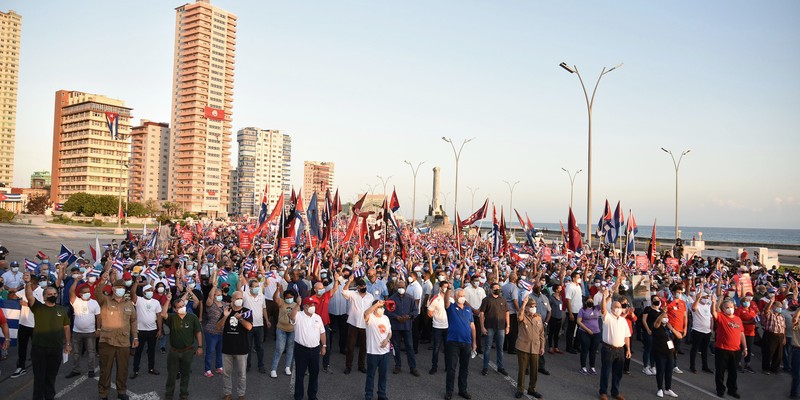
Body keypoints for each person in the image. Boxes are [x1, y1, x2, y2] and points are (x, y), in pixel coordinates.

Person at [23, 271, 71, 400]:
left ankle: (49, 397)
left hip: (55, 349)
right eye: (49, 294)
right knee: (39, 378)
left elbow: (66, 327)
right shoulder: (38, 307)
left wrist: (67, 344)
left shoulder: (62, 310)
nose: (52, 295)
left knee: (51, 377)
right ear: (44, 297)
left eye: (54, 294)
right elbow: (29, 296)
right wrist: (28, 283)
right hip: (39, 349)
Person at [95, 275, 137, 400]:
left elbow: (133, 321)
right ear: (113, 289)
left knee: (123, 369)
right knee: (105, 370)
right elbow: (97, 292)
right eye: (118, 287)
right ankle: (103, 393)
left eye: (123, 288)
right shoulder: (105, 300)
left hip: (123, 342)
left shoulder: (129, 304)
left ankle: (121, 391)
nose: (121, 290)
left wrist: (135, 337)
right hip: (107, 341)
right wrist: (103, 280)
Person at [161, 293, 204, 400]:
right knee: (171, 374)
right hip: (174, 351)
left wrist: (200, 346)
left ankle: (184, 394)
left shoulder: (192, 317)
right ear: (175, 309)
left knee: (186, 374)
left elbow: (198, 332)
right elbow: (163, 314)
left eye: (183, 305)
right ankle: (169, 394)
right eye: (179, 307)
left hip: (188, 351)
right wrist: (168, 300)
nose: (182, 308)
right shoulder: (172, 317)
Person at [218, 291, 253, 400]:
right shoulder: (226, 311)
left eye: (241, 298)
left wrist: (240, 319)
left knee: (242, 374)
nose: (239, 300)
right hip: (227, 348)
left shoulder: (247, 312)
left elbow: (249, 327)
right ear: (232, 300)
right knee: (226, 373)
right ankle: (227, 393)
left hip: (241, 348)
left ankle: (241, 394)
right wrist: (225, 317)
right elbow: (218, 327)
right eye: (237, 298)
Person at [598, 288, 631, 400]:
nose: (618, 309)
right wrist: (604, 297)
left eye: (619, 307)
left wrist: (628, 349)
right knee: (606, 371)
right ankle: (603, 392)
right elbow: (603, 309)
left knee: (618, 373)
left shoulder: (623, 320)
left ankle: (615, 392)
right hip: (608, 349)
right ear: (611, 309)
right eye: (616, 307)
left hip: (620, 350)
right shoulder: (607, 318)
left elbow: (627, 335)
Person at [443, 288, 477, 400]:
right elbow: (446, 301)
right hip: (453, 342)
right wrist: (448, 289)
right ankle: (449, 392)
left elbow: (472, 326)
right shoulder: (451, 308)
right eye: (460, 295)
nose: (462, 297)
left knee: (464, 368)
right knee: (451, 368)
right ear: (456, 296)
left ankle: (463, 390)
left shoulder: (468, 309)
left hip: (466, 343)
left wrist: (474, 342)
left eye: (463, 295)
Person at [291, 296, 326, 400]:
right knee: (300, 375)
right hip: (301, 350)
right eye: (311, 305)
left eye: (314, 304)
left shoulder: (317, 317)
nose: (313, 306)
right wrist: (297, 304)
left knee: (314, 374)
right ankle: (298, 396)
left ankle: (312, 395)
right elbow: (291, 317)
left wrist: (323, 346)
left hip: (315, 350)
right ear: (305, 307)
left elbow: (322, 333)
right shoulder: (299, 316)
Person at [712, 297, 747, 398]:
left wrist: (745, 348)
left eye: (731, 307)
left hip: (735, 350)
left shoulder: (738, 319)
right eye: (727, 307)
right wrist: (714, 303)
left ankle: (732, 390)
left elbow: (742, 334)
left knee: (733, 372)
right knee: (720, 371)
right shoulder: (721, 316)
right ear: (723, 309)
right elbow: (713, 312)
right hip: (722, 349)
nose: (730, 309)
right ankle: (720, 389)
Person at [65, 279, 100, 379]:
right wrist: (75, 281)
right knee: (76, 353)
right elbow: (70, 292)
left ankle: (91, 370)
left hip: (90, 332)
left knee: (91, 352)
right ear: (80, 294)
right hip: (77, 332)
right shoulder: (76, 301)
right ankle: (76, 370)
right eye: (84, 292)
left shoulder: (94, 303)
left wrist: (99, 329)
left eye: (88, 292)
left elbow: (99, 317)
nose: (87, 294)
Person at [386, 279, 419, 375]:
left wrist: (408, 316)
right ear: (396, 288)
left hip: (407, 327)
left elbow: (415, 311)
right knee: (396, 347)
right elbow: (388, 312)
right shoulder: (391, 299)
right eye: (399, 287)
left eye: (403, 287)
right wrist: (397, 317)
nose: (401, 289)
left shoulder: (410, 298)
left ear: (406, 287)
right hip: (396, 327)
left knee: (410, 347)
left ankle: (413, 367)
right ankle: (398, 366)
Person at [342, 275, 375, 374]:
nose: (364, 288)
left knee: (364, 347)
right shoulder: (353, 294)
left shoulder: (370, 296)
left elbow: (372, 310)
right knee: (350, 347)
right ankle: (348, 366)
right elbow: (344, 291)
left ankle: (361, 365)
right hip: (353, 324)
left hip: (365, 325)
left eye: (364, 286)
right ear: (358, 288)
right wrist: (349, 281)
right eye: (361, 287)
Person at [514, 296, 545, 399]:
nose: (533, 308)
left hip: (535, 347)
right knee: (522, 370)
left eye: (535, 306)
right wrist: (523, 304)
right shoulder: (522, 315)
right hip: (523, 347)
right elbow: (519, 317)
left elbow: (541, 334)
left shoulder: (538, 317)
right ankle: (520, 389)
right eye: (531, 306)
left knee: (534, 370)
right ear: (527, 307)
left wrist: (542, 347)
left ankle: (532, 389)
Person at [130, 282, 162, 379]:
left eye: (151, 290)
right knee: (138, 351)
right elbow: (132, 293)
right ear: (143, 292)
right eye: (148, 291)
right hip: (140, 330)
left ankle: (151, 368)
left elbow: (159, 316)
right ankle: (135, 370)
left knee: (151, 351)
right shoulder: (139, 300)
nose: (150, 292)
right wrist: (136, 283)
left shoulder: (156, 302)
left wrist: (159, 329)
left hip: (152, 330)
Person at [479, 281, 509, 376]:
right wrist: (482, 327)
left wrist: (508, 325)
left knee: (500, 348)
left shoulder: (503, 299)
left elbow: (507, 312)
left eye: (498, 288)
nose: (497, 290)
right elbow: (482, 313)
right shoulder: (486, 300)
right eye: (495, 288)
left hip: (501, 327)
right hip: (489, 326)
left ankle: (501, 367)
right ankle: (485, 367)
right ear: (491, 289)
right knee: (487, 347)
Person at [364, 299, 392, 400]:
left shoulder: (386, 318)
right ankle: (368, 395)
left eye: (382, 307)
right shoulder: (370, 318)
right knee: (370, 375)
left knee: (383, 375)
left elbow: (389, 332)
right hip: (373, 352)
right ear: (375, 308)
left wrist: (387, 340)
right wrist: (376, 304)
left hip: (385, 353)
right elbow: (366, 313)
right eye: (379, 308)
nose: (381, 309)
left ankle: (382, 394)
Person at [651, 306, 682, 397]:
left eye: (666, 317)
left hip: (670, 353)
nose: (666, 318)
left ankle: (668, 389)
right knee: (660, 371)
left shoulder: (669, 328)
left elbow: (679, 336)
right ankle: (660, 388)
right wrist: (662, 313)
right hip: (660, 353)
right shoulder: (657, 327)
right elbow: (657, 322)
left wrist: (672, 329)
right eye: (664, 317)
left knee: (669, 371)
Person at [243, 279, 269, 374]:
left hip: (260, 325)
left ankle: (261, 365)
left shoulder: (261, 296)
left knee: (260, 347)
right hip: (249, 325)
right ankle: (247, 366)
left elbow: (264, 308)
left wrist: (266, 320)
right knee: (248, 347)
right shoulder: (245, 295)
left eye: (258, 286)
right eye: (255, 286)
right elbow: (238, 289)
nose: (257, 288)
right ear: (250, 288)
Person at [271, 284, 297, 378]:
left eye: (291, 297)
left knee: (290, 349)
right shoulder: (281, 302)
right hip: (281, 329)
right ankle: (274, 369)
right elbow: (275, 298)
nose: (289, 298)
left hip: (292, 330)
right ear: (284, 297)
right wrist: (277, 290)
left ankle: (287, 367)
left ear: (293, 297)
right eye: (287, 297)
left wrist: (299, 303)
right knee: (279, 349)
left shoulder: (295, 305)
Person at [203, 284, 226, 377]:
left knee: (220, 350)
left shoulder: (224, 304)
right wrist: (213, 287)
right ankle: (207, 369)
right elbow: (209, 297)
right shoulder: (210, 303)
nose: (219, 296)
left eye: (220, 294)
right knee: (210, 350)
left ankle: (219, 366)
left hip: (222, 331)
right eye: (217, 295)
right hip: (211, 330)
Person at [427, 280, 449, 374]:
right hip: (437, 327)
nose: (446, 289)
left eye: (447, 287)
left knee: (448, 348)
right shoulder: (435, 298)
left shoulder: (450, 299)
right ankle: (434, 366)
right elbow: (429, 312)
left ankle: (448, 366)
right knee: (436, 347)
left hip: (448, 327)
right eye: (444, 287)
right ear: (440, 288)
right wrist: (436, 317)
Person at [689, 290, 714, 373]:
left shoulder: (707, 306)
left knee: (705, 350)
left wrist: (711, 329)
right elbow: (693, 308)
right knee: (695, 348)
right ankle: (692, 366)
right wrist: (698, 298)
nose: (706, 299)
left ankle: (705, 366)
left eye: (707, 297)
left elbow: (711, 318)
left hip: (707, 331)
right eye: (704, 297)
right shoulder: (696, 304)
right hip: (697, 330)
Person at [761, 294, 786, 374]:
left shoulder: (782, 316)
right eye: (778, 306)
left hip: (780, 335)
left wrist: (784, 337)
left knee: (779, 355)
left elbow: (783, 327)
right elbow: (766, 311)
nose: (779, 308)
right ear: (773, 307)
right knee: (768, 353)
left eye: (781, 307)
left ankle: (775, 369)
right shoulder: (770, 314)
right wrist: (771, 302)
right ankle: (766, 369)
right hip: (770, 335)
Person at [665, 284, 687, 374]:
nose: (679, 294)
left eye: (680, 292)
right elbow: (664, 315)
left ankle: (673, 364)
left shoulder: (682, 303)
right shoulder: (669, 303)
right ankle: (671, 364)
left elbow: (685, 316)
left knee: (676, 349)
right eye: (677, 292)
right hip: (670, 331)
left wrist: (685, 328)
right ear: (673, 292)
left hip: (680, 330)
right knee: (670, 348)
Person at [577, 296, 602, 375]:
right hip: (585, 333)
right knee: (585, 350)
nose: (591, 302)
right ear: (585, 302)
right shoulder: (582, 310)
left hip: (596, 333)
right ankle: (583, 367)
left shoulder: (596, 308)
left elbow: (604, 303)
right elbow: (579, 321)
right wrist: (587, 330)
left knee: (593, 351)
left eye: (592, 300)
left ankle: (592, 367)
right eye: (589, 301)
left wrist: (606, 296)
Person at [734, 292, 757, 373]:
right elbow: (736, 321)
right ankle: (738, 363)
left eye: (748, 301)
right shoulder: (739, 310)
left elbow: (755, 318)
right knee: (740, 348)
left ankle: (747, 364)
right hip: (742, 332)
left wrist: (755, 321)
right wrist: (748, 322)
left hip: (751, 333)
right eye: (745, 301)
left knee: (749, 349)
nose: (747, 302)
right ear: (741, 302)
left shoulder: (752, 310)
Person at [463, 275, 486, 354]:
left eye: (478, 281)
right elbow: (465, 301)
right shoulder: (466, 289)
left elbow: (484, 301)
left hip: (479, 313)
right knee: (469, 331)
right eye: (475, 281)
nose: (477, 282)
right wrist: (473, 309)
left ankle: (478, 347)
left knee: (478, 331)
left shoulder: (481, 290)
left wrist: (479, 310)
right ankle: (469, 347)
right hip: (469, 313)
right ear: (471, 281)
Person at [641, 294, 661, 376]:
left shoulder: (660, 311)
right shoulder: (648, 309)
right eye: (655, 299)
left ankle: (653, 366)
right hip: (648, 331)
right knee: (648, 349)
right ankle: (645, 366)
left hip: (656, 333)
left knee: (654, 350)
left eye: (658, 299)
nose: (656, 300)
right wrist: (648, 329)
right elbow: (644, 320)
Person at [564, 272, 584, 354]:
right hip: (573, 311)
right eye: (577, 277)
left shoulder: (578, 286)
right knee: (571, 329)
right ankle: (569, 347)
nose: (579, 278)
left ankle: (576, 345)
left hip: (579, 310)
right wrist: (570, 313)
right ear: (573, 278)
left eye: (579, 277)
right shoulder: (569, 286)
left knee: (579, 329)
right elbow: (568, 300)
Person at [501, 273, 520, 354]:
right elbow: (515, 300)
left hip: (504, 310)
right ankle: (511, 348)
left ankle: (504, 346)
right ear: (515, 279)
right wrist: (518, 310)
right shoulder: (514, 287)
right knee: (513, 331)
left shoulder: (504, 286)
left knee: (505, 328)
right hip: (512, 311)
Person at [547, 284, 564, 354]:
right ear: (556, 289)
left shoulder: (560, 297)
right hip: (553, 317)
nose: (561, 289)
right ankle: (550, 347)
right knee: (551, 332)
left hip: (559, 316)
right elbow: (548, 308)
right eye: (559, 288)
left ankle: (556, 347)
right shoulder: (551, 298)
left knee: (557, 333)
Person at [789, 308, 800, 398]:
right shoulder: (797, 323)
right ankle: (794, 393)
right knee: (797, 374)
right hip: (798, 350)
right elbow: (794, 319)